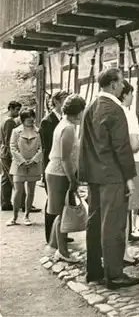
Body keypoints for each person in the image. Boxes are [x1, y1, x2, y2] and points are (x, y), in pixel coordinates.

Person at [79, 68, 139, 290]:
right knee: (113, 226)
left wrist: (84, 174)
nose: (124, 86)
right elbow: (122, 148)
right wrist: (129, 178)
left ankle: (94, 270)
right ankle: (114, 275)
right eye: (122, 82)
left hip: (94, 176)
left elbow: (83, 145)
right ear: (113, 85)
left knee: (94, 223)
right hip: (113, 176)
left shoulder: (90, 107)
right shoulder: (115, 109)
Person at [45, 95, 86, 262]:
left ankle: (56, 247)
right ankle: (62, 252)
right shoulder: (68, 128)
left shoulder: (65, 124)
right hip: (59, 174)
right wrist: (73, 180)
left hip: (59, 173)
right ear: (77, 112)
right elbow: (65, 158)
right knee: (63, 213)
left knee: (61, 213)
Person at [118, 80, 139, 265]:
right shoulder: (128, 115)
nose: (131, 98)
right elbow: (133, 145)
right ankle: (124, 253)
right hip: (131, 164)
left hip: (120, 165)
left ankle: (122, 249)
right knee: (128, 206)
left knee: (124, 208)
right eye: (130, 94)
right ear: (126, 94)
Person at [39, 90, 69, 243]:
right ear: (56, 102)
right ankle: (50, 235)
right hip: (53, 167)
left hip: (63, 168)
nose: (67, 102)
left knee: (62, 201)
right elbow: (47, 149)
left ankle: (62, 233)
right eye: (65, 99)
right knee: (52, 201)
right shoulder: (47, 121)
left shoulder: (65, 120)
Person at [7, 108, 42, 226]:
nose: (31, 119)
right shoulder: (16, 131)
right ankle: (14, 217)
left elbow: (42, 148)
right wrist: (21, 161)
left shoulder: (38, 131)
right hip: (19, 165)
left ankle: (27, 216)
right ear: (23, 119)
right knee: (18, 192)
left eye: (32, 116)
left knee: (31, 191)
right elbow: (12, 147)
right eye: (28, 117)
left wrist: (34, 160)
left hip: (34, 165)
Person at [1, 101, 22, 211]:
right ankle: (23, 203)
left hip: (3, 152)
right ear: (11, 109)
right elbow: (10, 141)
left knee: (5, 178)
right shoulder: (10, 122)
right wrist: (15, 156)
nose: (18, 112)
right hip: (8, 153)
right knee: (16, 178)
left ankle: (5, 203)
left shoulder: (3, 119)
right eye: (17, 110)